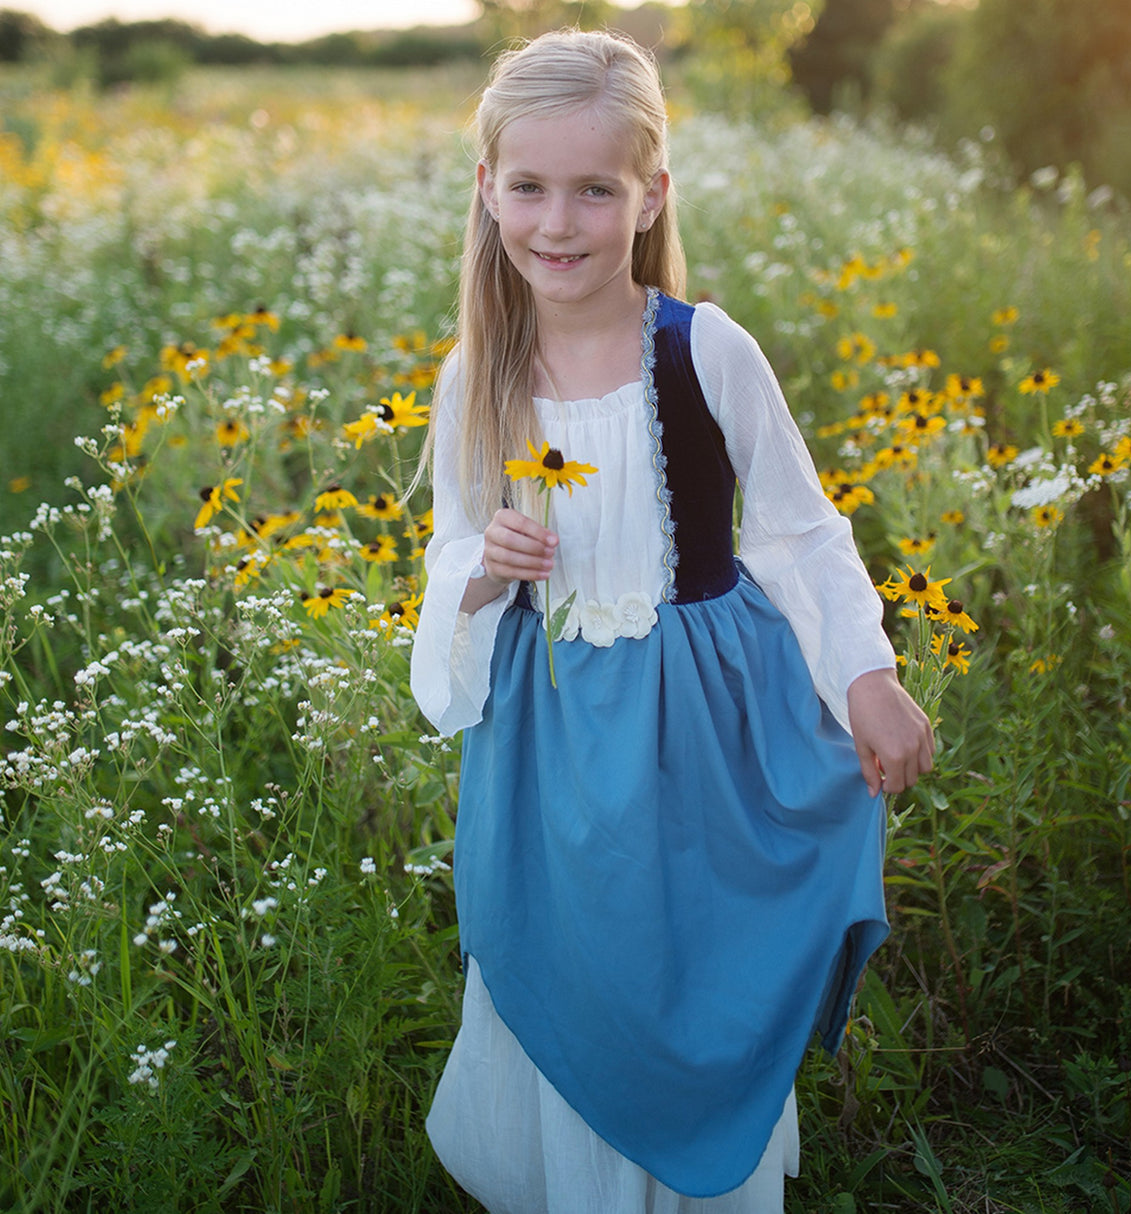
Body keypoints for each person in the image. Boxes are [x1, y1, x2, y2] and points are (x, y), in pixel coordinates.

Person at [410, 27, 934, 1213]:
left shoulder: (703, 349)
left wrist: (862, 673)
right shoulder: (476, 374)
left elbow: (797, 530)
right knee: (578, 961)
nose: (559, 222)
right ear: (487, 189)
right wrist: (484, 570)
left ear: (650, 195)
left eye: (594, 189)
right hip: (550, 741)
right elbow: (449, 548)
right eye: (530, 186)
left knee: (687, 962)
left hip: (702, 726)